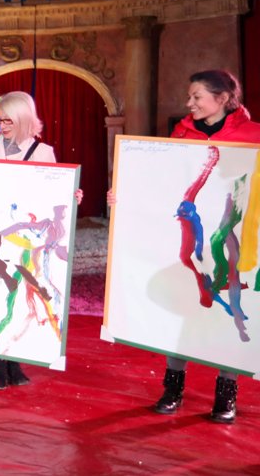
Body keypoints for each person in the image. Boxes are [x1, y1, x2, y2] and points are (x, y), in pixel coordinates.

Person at [111, 69, 260, 424]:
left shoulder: (253, 136)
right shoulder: (181, 134)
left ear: (222, 99)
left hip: (233, 239)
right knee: (182, 307)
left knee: (228, 313)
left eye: (196, 97)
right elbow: (162, 183)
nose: (188, 103)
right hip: (188, 238)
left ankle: (226, 396)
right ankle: (172, 389)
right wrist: (124, 195)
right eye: (189, 96)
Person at [0, 91, 82, 390]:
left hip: (27, 236)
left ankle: (14, 361)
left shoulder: (43, 151)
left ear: (23, 118)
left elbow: (53, 194)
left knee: (22, 294)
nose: (2, 125)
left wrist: (71, 195)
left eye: (7, 119)